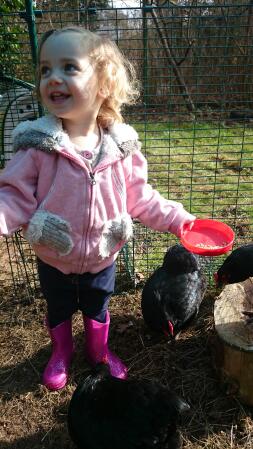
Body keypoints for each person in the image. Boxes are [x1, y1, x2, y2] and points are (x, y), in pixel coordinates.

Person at [0, 26, 196, 391]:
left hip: (103, 254)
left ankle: (99, 351)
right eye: (45, 69)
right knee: (58, 307)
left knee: (97, 306)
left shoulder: (122, 148)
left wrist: (181, 221)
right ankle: (61, 351)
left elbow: (142, 198)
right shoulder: (37, 147)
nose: (52, 78)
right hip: (55, 253)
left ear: (104, 85)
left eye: (68, 67)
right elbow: (13, 197)